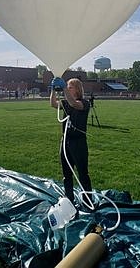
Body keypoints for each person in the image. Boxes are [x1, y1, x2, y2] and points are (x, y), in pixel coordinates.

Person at [50, 77, 92, 205]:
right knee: (66, 173)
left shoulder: (84, 103)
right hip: (65, 141)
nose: (67, 89)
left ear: (77, 89)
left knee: (82, 173)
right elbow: (53, 104)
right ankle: (69, 199)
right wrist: (53, 90)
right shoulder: (66, 102)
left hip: (78, 142)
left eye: (70, 87)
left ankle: (88, 200)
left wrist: (63, 88)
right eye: (66, 86)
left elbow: (74, 104)